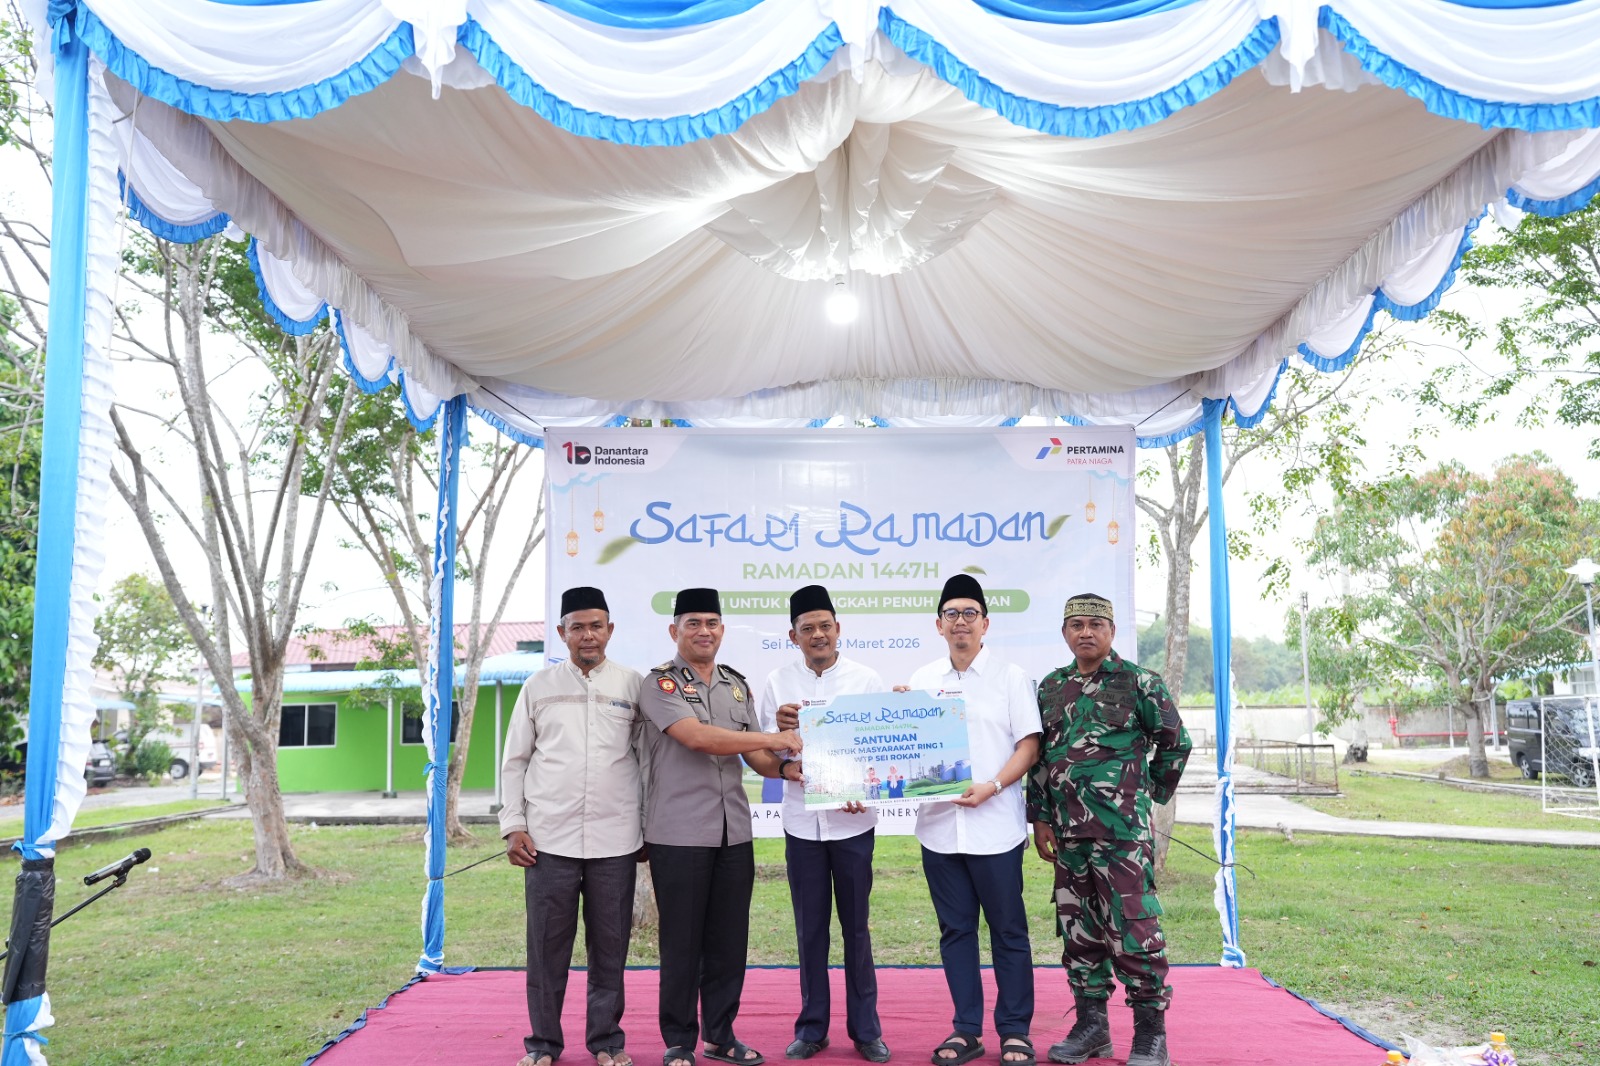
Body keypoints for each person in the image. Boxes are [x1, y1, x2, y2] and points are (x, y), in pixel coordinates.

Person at [640, 588, 805, 1066]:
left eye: (712, 622)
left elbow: (754, 756)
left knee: (729, 942)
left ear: (722, 630)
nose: (704, 631)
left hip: (734, 831)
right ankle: (679, 1041)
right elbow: (698, 738)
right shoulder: (660, 684)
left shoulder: (736, 686)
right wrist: (773, 737)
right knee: (682, 941)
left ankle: (720, 1036)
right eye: (693, 623)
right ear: (674, 630)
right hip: (678, 833)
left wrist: (785, 768)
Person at [1027, 594, 1192, 1066]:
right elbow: (1040, 758)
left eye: (1095, 625)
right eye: (1076, 624)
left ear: (1111, 632)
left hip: (1122, 838)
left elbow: (1175, 743)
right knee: (1078, 932)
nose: (1086, 632)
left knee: (1134, 929)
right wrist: (1040, 817)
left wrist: (1145, 794)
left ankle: (1151, 1034)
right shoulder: (1052, 688)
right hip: (1068, 836)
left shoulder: (1140, 683)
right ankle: (1092, 1027)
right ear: (1065, 633)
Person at [500, 586, 646, 1066]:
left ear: (610, 629)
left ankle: (606, 1042)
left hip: (616, 840)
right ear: (562, 632)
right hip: (548, 842)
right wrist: (513, 825)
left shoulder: (632, 686)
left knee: (611, 949)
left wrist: (646, 826)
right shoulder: (538, 687)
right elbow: (514, 761)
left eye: (596, 626)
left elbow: (647, 760)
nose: (588, 636)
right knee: (546, 950)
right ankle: (543, 1045)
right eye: (577, 627)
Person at [906, 574, 1042, 1066]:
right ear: (938, 625)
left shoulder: (1010, 677)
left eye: (969, 613)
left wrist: (994, 785)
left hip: (995, 827)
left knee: (1008, 931)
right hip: (940, 830)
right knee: (956, 932)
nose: (960, 622)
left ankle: (1015, 1031)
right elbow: (905, 748)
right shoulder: (921, 682)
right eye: (951, 614)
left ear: (985, 623)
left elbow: (1029, 745)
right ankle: (966, 1030)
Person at [760, 584, 891, 1064]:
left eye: (825, 626)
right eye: (807, 628)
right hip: (802, 825)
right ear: (792, 636)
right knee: (810, 930)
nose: (818, 635)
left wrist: (865, 788)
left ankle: (866, 1030)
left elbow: (883, 747)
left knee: (857, 929)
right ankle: (812, 1028)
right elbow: (762, 751)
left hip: (854, 825)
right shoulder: (777, 683)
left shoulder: (866, 680)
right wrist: (784, 760)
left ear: (838, 629)